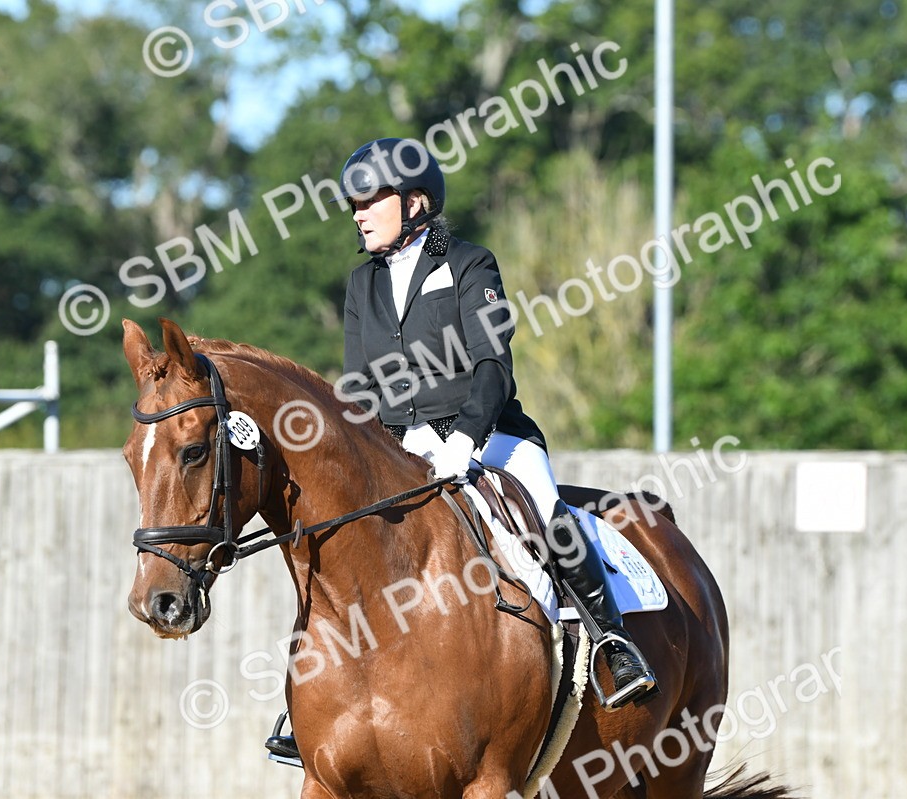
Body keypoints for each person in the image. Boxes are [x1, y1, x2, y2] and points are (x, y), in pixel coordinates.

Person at [265, 137, 658, 762]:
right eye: (354, 205)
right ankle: (311, 698)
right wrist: (373, 448)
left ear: (415, 201)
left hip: (489, 435)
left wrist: (464, 440)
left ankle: (614, 644)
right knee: (341, 544)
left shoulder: (471, 263)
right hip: (398, 447)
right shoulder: (362, 283)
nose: (359, 214)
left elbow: (493, 367)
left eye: (370, 201)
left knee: (546, 513)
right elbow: (359, 386)